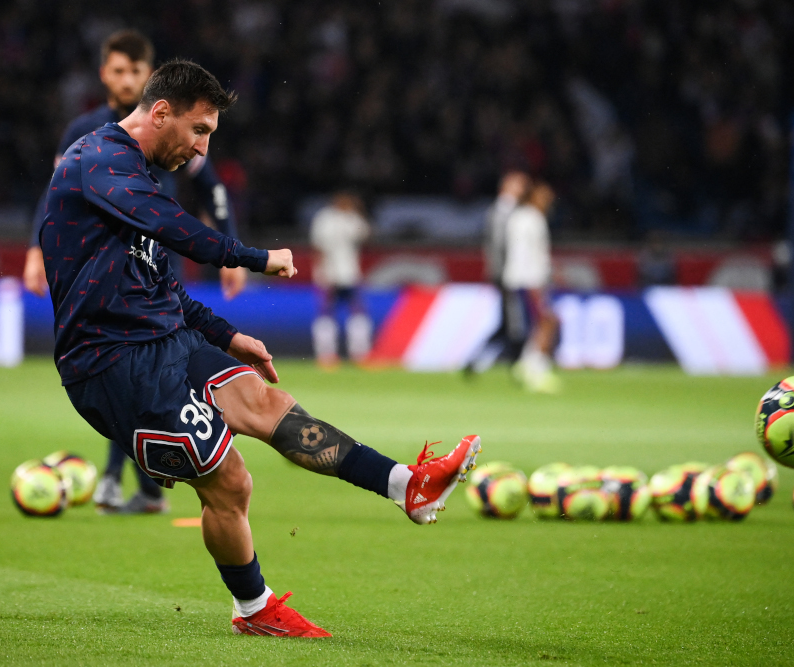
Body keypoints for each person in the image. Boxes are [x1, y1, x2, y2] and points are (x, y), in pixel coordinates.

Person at [40, 59, 481, 637]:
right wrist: (253, 257)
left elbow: (164, 287)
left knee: (269, 403)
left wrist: (228, 336)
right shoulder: (95, 160)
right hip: (114, 362)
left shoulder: (136, 179)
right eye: (199, 130)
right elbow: (171, 225)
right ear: (161, 112)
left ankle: (407, 486)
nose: (201, 149)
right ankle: (253, 609)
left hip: (165, 340)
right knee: (230, 482)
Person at [23, 30, 246, 514]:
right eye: (119, 71)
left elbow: (212, 186)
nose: (127, 80)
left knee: (151, 368)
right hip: (103, 263)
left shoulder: (172, 125)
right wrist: (35, 250)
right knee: (124, 364)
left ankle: (136, 481)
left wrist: (228, 241)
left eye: (136, 72)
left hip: (156, 258)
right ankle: (127, 480)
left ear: (150, 77)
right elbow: (55, 191)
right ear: (104, 73)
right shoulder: (86, 131)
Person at [465, 171, 530, 375]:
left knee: (507, 323)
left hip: (510, 274)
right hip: (507, 275)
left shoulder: (510, 210)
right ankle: (516, 365)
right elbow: (498, 246)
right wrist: (503, 273)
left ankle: (476, 362)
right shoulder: (501, 211)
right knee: (514, 322)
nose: (523, 189)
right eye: (519, 184)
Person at [503, 182, 560, 393]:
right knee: (546, 322)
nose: (548, 202)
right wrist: (537, 283)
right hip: (529, 280)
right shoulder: (533, 219)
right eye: (544, 197)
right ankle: (535, 369)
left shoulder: (518, 217)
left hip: (519, 280)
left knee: (538, 325)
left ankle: (528, 365)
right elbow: (528, 255)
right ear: (533, 197)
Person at [309, 192, 372, 368]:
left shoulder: (352, 218)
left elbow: (365, 236)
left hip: (349, 273)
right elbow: (317, 247)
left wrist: (358, 212)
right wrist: (320, 272)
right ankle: (326, 355)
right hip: (328, 272)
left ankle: (360, 354)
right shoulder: (324, 218)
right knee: (326, 313)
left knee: (358, 312)